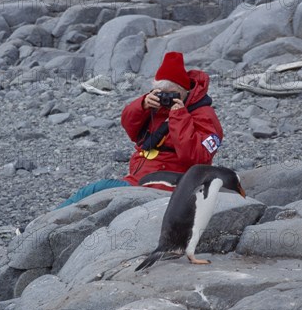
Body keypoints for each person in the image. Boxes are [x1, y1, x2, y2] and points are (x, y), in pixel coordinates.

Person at [57, 51, 223, 208]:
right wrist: (142, 104)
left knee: (96, 190)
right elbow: (130, 128)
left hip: (168, 184)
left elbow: (196, 157)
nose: (165, 98)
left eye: (171, 94)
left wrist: (179, 116)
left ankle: (47, 222)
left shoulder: (204, 115)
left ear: (184, 91)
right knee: (91, 195)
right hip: (141, 178)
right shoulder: (154, 106)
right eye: (160, 93)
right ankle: (48, 221)